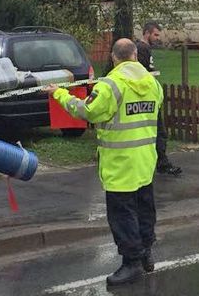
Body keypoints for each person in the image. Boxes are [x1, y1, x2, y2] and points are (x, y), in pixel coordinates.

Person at [47, 38, 164, 286]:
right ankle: (146, 254)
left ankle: (131, 262)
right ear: (134, 55)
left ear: (114, 57)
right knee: (144, 209)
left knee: (123, 214)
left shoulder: (110, 85)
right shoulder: (153, 83)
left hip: (120, 163)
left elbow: (87, 111)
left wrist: (58, 93)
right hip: (145, 160)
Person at [136, 22, 182, 176]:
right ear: (147, 33)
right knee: (159, 131)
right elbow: (142, 73)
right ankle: (162, 163)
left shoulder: (144, 49)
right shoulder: (142, 49)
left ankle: (160, 161)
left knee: (155, 131)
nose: (157, 38)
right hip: (147, 96)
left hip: (148, 95)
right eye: (155, 34)